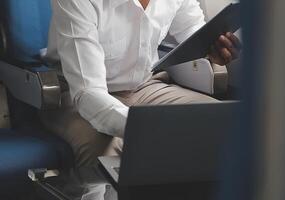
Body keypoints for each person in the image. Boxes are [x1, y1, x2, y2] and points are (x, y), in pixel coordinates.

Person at [41, 0, 241, 199]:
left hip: (143, 85)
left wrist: (214, 48)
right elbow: (88, 93)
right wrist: (145, 128)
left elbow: (194, 31)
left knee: (218, 127)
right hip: (72, 92)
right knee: (104, 151)